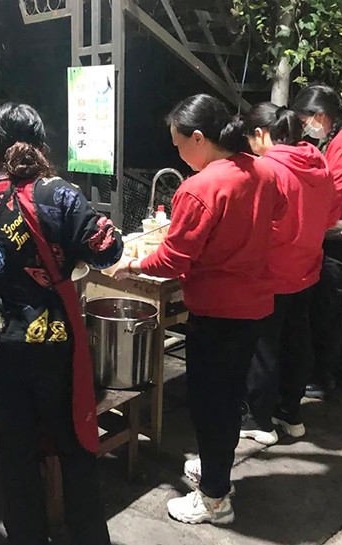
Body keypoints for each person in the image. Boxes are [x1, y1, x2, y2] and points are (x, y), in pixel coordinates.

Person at [113, 94, 285, 525]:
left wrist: (131, 265)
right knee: (229, 397)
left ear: (197, 138)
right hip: (255, 305)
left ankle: (214, 498)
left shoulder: (200, 187)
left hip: (217, 311)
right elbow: (278, 213)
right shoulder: (263, 170)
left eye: (178, 145)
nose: (178, 155)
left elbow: (172, 260)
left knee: (211, 405)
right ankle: (214, 470)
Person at [0, 103, 119, 545]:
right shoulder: (59, 195)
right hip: (52, 348)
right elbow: (108, 248)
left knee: (15, 456)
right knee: (75, 448)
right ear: (43, 144)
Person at [240, 103, 336, 445]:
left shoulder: (266, 169)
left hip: (270, 271)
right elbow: (331, 218)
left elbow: (252, 224)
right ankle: (290, 414)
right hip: (306, 268)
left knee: (263, 347)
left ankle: (258, 420)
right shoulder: (318, 163)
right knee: (296, 341)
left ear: (260, 133)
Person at [292, 84, 342, 399]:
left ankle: (324, 377)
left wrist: (306, 224)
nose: (306, 128)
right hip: (341, 235)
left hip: (338, 237)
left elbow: (333, 195)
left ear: (320, 115)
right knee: (336, 307)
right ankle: (337, 369)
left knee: (328, 309)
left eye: (305, 120)